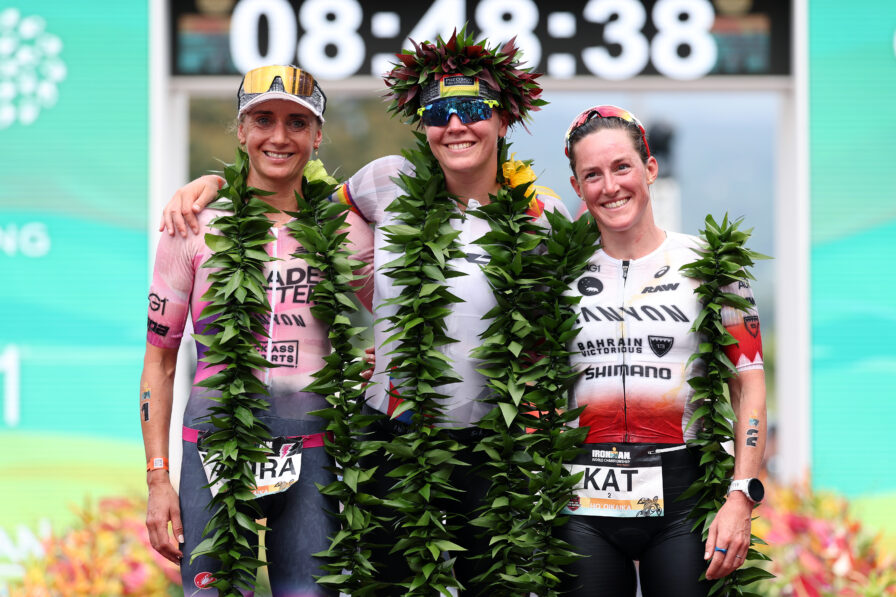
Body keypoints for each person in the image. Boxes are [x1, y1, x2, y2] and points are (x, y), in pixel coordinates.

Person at [158, 32, 569, 594]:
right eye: (438, 113)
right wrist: (214, 184)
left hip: (492, 448)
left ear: (504, 119)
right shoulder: (385, 181)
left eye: (473, 110)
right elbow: (302, 202)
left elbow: (557, 334)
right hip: (392, 437)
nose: (455, 125)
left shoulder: (543, 217)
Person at [141, 65, 373, 596]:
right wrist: (157, 478)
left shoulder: (343, 229)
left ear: (317, 136)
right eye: (263, 119)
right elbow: (160, 362)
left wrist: (380, 359)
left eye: (297, 123)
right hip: (213, 449)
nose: (279, 136)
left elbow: (402, 316)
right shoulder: (192, 227)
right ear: (241, 129)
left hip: (314, 450)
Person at [559, 105, 767, 596]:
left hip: (682, 499)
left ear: (650, 169)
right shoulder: (556, 272)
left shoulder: (713, 265)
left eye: (622, 167)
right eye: (592, 174)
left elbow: (750, 383)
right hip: (582, 504)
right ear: (577, 187)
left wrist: (741, 495)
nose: (610, 186)